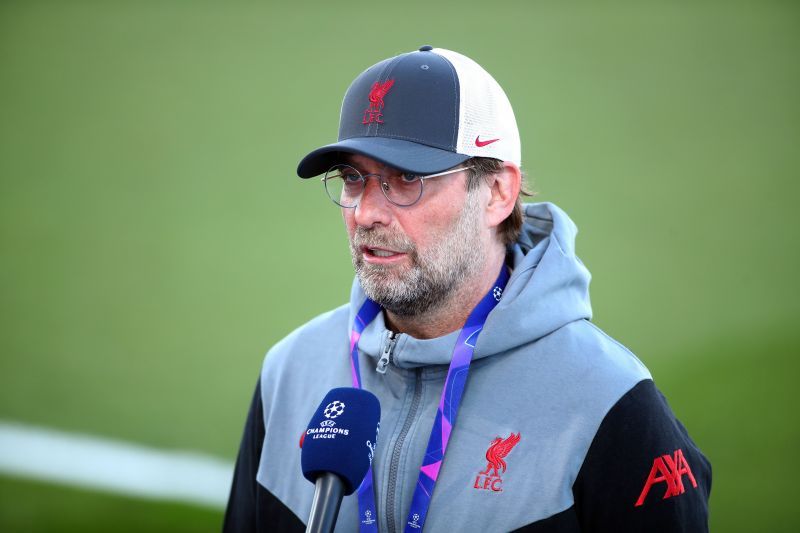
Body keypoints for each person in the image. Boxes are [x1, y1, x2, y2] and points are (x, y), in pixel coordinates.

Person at [224, 46, 711, 532]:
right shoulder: (289, 372)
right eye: (353, 179)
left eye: (407, 178)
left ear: (498, 192)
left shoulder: (607, 402)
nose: (366, 213)